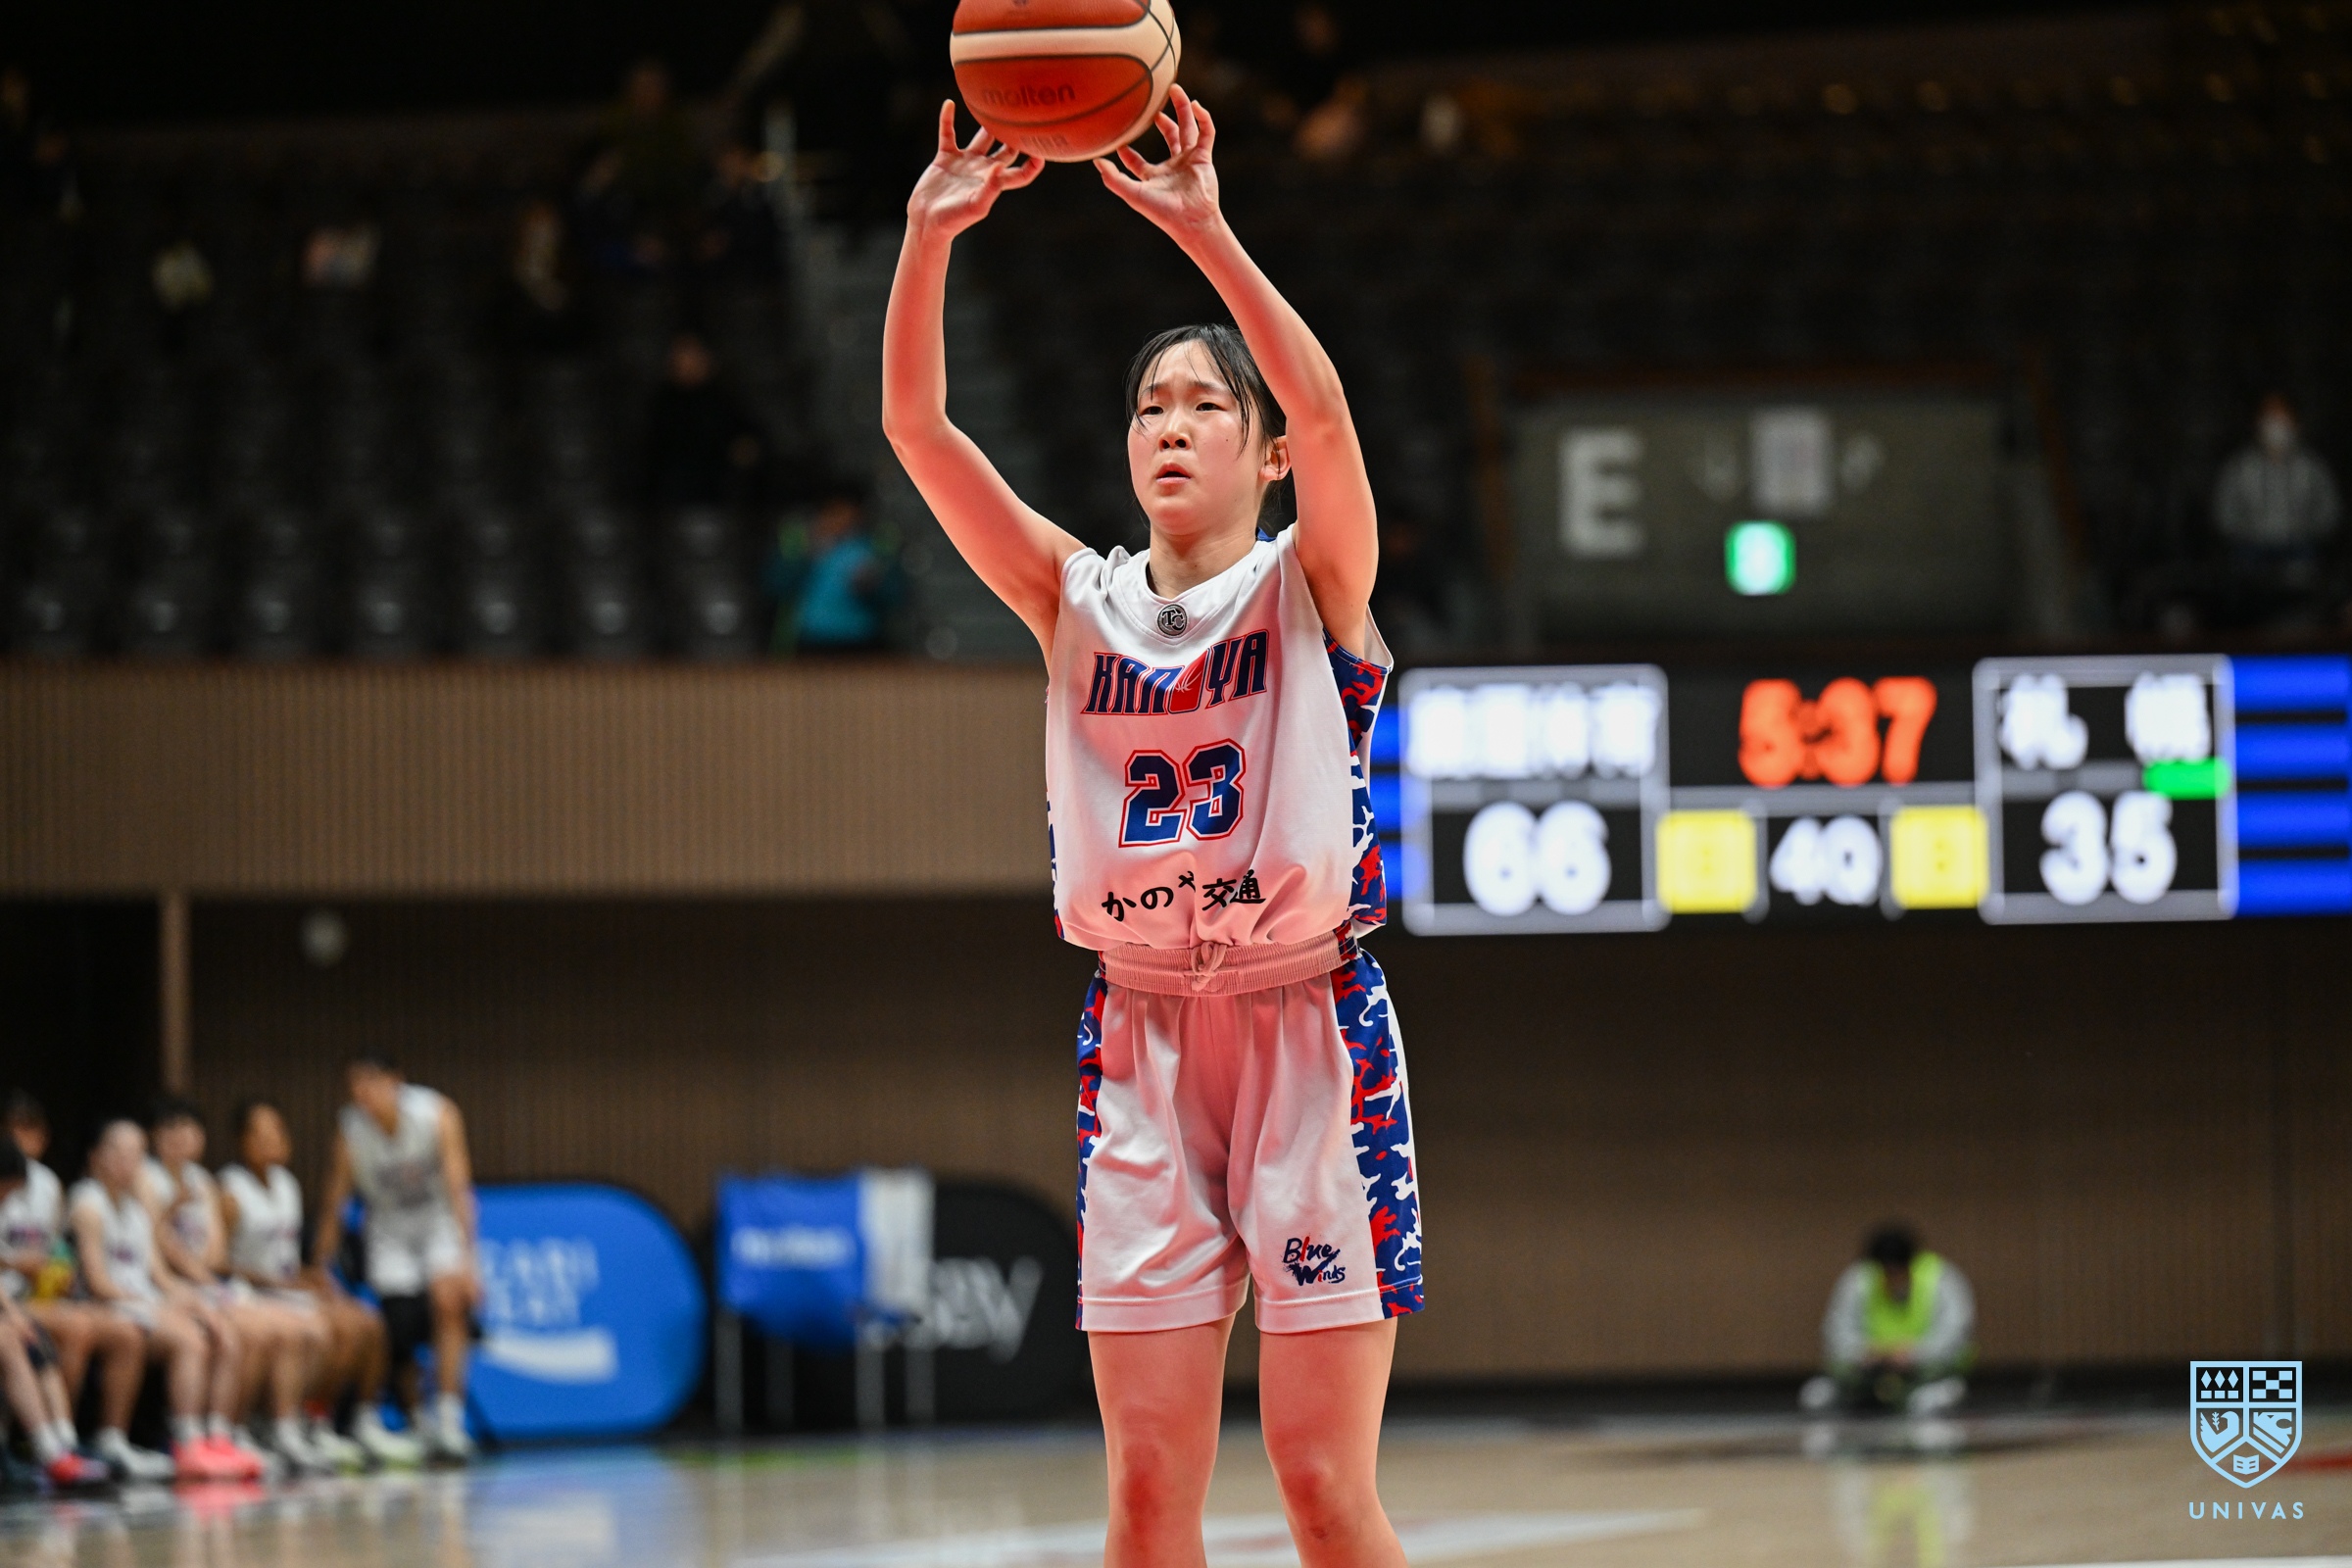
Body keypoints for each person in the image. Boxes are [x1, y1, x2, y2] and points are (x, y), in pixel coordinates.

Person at [882, 89, 1420, 1567]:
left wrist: (1207, 230)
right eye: (1149, 407)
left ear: (1267, 455)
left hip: (1311, 1028)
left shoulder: (1313, 581)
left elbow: (1330, 413)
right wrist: (928, 236)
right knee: (1143, 1498)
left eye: (1206, 406)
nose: (1171, 425)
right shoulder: (1074, 596)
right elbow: (917, 429)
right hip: (1140, 1037)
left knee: (1324, 1488)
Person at [220, 1098, 418, 1468]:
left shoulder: (287, 1185)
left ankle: (356, 1421)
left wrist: (310, 1276)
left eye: (277, 1131)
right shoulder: (230, 1191)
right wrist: (279, 1283)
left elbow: (284, 1257)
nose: (272, 1140)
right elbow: (218, 1263)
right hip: (248, 1293)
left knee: (367, 1323)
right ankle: (292, 1423)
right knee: (321, 1331)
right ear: (242, 1141)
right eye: (260, 1134)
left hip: (284, 1289)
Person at [144, 1099, 330, 1474]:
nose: (180, 1137)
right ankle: (216, 1431)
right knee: (250, 1334)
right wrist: (198, 1275)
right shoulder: (148, 1179)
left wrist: (207, 1281)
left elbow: (213, 1251)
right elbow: (156, 1243)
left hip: (205, 1283)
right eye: (170, 1129)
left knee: (301, 1330)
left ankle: (271, 1427)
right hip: (168, 1287)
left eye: (188, 1128)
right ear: (155, 1137)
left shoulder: (202, 1181)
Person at [69, 1120, 262, 1481]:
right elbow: (98, 1283)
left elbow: (158, 1275)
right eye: (119, 1152)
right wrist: (158, 1305)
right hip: (104, 1305)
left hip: (140, 1302)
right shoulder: (87, 1203)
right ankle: (185, 1440)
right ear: (95, 1157)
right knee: (190, 1340)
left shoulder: (137, 1207)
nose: (129, 1162)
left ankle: (219, 1438)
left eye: (137, 1154)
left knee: (222, 1330)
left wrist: (196, 1299)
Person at [313, 1055, 481, 1463]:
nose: (362, 1094)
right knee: (398, 1327)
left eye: (370, 1083)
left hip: (437, 1220)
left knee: (449, 1302)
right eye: (355, 1087)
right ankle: (417, 1421)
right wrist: (321, 1264)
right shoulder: (351, 1129)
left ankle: (449, 1418)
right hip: (389, 1227)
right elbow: (336, 1199)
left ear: (395, 1082)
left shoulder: (436, 1113)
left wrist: (469, 1256)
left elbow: (459, 1183)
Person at [4, 1094, 165, 1482]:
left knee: (104, 1333)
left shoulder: (47, 1185)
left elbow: (55, 1252)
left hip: (31, 1297)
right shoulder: (87, 1200)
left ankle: (66, 1440)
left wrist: (53, 1272)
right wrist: (14, 1270)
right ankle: (39, 1444)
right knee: (28, 1335)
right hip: (11, 1301)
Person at [0, 1143, 111, 1490]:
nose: (7, 1200)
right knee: (8, 1339)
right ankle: (47, 1452)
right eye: (5, 1190)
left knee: (35, 1339)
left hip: (15, 1301)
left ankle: (63, 1441)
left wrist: (14, 1312)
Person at [1801, 1223, 1976, 1417]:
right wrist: (1865, 1353)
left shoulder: (1941, 1279)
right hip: (1867, 1376)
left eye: (1896, 1271)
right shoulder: (1859, 1279)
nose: (1891, 1279)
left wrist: (1914, 1354)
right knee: (1816, 1397)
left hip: (1924, 1375)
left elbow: (1955, 1335)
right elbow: (1836, 1333)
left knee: (1926, 1403)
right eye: (1885, 1271)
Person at [2213, 393, 2342, 615]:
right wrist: (2251, 537)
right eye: (2269, 419)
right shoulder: (2240, 468)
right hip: (2251, 559)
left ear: (2296, 425)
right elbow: (2224, 515)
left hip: (2300, 558)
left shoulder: (2312, 469)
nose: (2275, 427)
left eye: (2282, 420)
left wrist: (2304, 536)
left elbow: (2329, 513)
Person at [766, 480, 900, 654]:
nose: (839, 519)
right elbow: (774, 586)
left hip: (861, 640)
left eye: (845, 512)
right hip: (810, 640)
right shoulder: (799, 545)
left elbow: (896, 594)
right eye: (833, 511)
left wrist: (874, 584)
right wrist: (804, 558)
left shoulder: (875, 546)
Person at [644, 331, 765, 508]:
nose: (687, 363)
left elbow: (749, 435)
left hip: (721, 482)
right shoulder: (662, 404)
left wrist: (745, 448)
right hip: (676, 490)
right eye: (681, 357)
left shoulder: (724, 397)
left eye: (694, 356)